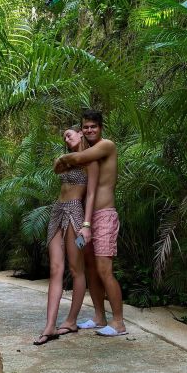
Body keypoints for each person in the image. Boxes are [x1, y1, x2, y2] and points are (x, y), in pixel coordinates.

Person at [54, 110, 127, 336]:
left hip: (104, 215)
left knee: (104, 269)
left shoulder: (106, 146)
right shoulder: (87, 152)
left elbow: (76, 159)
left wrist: (61, 159)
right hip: (84, 217)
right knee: (91, 269)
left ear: (101, 127)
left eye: (93, 126)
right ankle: (99, 316)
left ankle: (118, 322)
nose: (89, 130)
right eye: (85, 127)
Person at [33, 126, 98, 345]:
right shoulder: (67, 161)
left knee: (76, 269)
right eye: (64, 137)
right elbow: (56, 168)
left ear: (81, 133)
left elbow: (91, 195)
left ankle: (71, 321)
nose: (66, 138)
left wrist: (86, 225)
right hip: (57, 211)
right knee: (55, 269)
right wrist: (64, 157)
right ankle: (50, 326)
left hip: (75, 214)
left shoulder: (90, 161)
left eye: (69, 134)